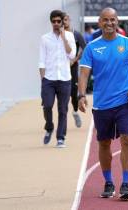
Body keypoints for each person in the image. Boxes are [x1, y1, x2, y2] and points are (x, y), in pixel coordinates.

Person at [78, 7, 128, 200]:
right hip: (101, 105)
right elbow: (84, 73)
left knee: (127, 139)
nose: (109, 23)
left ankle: (125, 184)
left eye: (113, 20)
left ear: (117, 22)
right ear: (100, 23)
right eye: (105, 20)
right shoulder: (92, 47)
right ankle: (108, 181)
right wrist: (81, 95)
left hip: (124, 102)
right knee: (104, 143)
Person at [39, 10, 76, 148]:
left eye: (58, 21)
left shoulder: (69, 36)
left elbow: (72, 55)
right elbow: (41, 60)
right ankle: (49, 127)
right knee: (47, 106)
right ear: (51, 22)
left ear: (62, 22)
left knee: (63, 109)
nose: (56, 24)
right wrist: (43, 80)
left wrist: (63, 38)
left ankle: (61, 138)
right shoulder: (44, 38)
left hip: (65, 79)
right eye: (53, 21)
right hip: (49, 78)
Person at [63, 13, 86, 128]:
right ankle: (63, 118)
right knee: (63, 93)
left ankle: (75, 111)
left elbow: (84, 48)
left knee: (73, 91)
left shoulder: (76, 34)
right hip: (61, 67)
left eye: (66, 19)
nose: (64, 22)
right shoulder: (59, 35)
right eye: (62, 20)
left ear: (69, 20)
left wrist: (75, 59)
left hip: (73, 66)